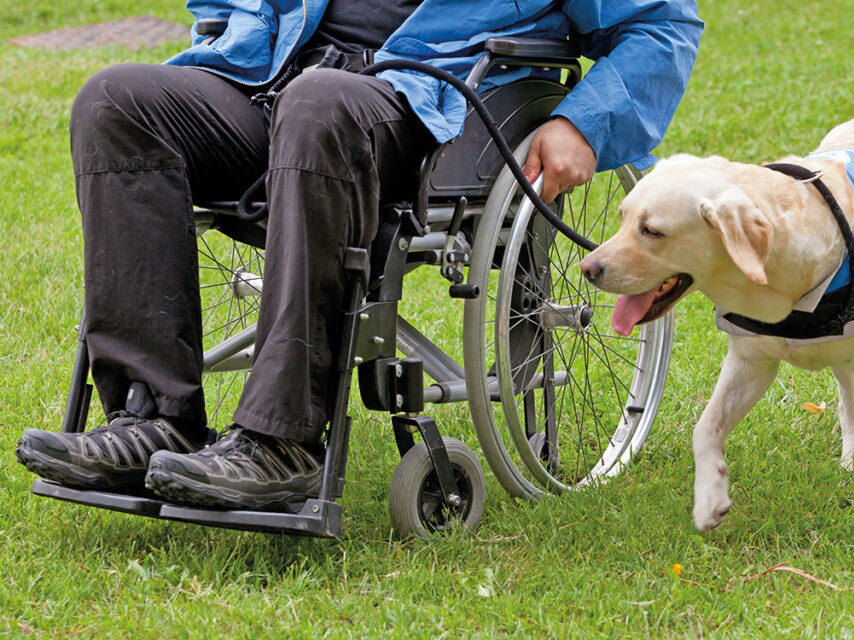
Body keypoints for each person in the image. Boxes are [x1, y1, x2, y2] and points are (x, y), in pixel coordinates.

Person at [15, 0, 703, 511]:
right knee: (117, 103)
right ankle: (149, 419)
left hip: (435, 105)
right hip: (279, 83)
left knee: (319, 106)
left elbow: (661, 26)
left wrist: (581, 122)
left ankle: (278, 442)